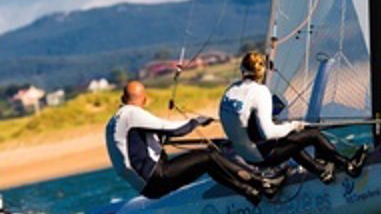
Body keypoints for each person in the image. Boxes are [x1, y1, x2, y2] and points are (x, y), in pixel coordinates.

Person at [105, 80, 281, 206]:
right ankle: (261, 182)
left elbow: (135, 147)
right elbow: (175, 129)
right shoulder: (132, 113)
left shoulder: (114, 122)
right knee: (208, 156)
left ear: (122, 97)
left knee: (208, 159)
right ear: (144, 99)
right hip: (157, 177)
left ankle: (250, 192)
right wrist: (196, 122)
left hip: (145, 186)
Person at [219, 51, 367, 183]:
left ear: (242, 70)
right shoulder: (259, 91)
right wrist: (293, 125)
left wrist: (283, 129)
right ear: (262, 72)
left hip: (245, 156)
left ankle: (321, 171)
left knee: (291, 140)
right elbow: (268, 133)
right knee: (313, 135)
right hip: (262, 156)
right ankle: (349, 165)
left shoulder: (230, 91)